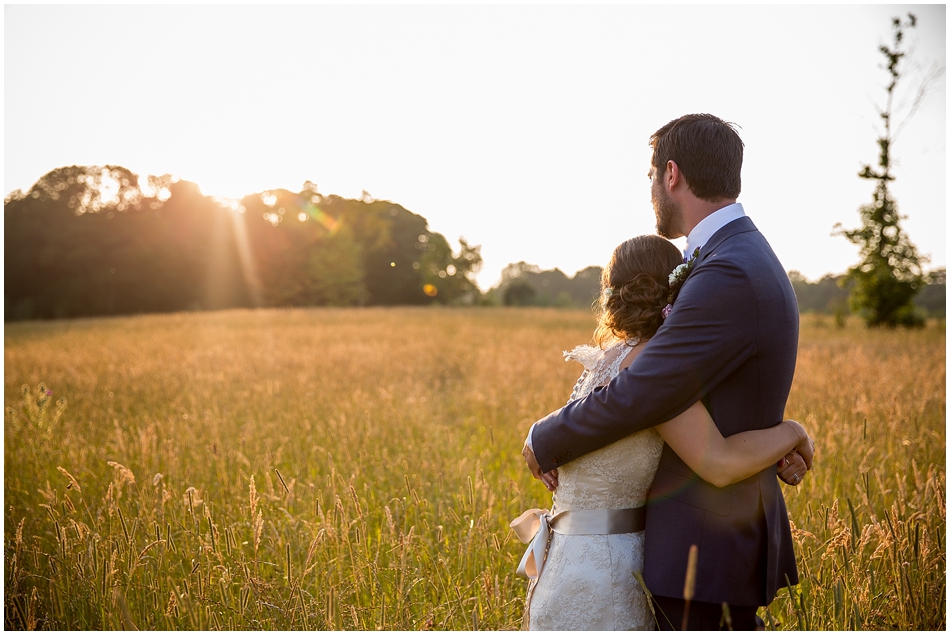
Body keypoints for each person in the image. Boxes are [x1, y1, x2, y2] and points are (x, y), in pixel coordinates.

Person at [522, 114, 810, 630]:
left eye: (651, 174)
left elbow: (643, 390)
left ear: (671, 174)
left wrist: (545, 435)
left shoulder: (728, 269)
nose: (650, 187)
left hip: (706, 540)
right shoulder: (733, 256)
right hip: (697, 538)